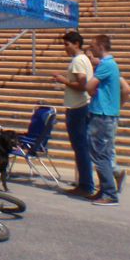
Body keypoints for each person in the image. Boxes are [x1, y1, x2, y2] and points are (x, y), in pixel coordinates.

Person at [86, 34, 128, 206]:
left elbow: (89, 86)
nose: (91, 49)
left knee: (99, 154)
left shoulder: (106, 65)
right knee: (103, 153)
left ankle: (110, 193)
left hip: (102, 114)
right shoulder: (112, 65)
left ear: (101, 46)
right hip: (107, 113)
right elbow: (125, 90)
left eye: (93, 46)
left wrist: (91, 92)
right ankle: (104, 189)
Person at [52, 30, 94, 197]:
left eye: (67, 44)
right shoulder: (84, 59)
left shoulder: (78, 61)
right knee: (82, 147)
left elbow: (82, 85)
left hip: (78, 107)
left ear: (76, 44)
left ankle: (85, 185)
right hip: (82, 106)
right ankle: (85, 182)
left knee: (80, 147)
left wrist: (63, 80)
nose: (65, 48)